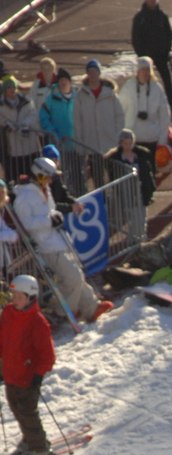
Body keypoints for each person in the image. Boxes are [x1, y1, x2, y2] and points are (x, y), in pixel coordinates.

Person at [12, 156, 113, 323]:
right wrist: (49, 220)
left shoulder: (44, 190)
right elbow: (27, 223)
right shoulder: (24, 197)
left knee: (77, 274)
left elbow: (51, 211)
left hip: (59, 239)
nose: (51, 181)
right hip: (46, 245)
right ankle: (59, 311)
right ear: (40, 175)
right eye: (49, 177)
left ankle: (90, 307)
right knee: (72, 277)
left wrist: (55, 217)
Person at [0, 274, 55, 455]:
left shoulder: (37, 322)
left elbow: (48, 356)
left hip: (27, 377)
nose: (14, 300)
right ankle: (29, 439)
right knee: (15, 407)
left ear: (30, 298)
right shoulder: (8, 313)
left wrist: (37, 376)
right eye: (13, 295)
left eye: (19, 297)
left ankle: (39, 447)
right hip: (10, 373)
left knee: (28, 412)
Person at [73, 60, 125, 187]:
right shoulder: (81, 95)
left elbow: (120, 116)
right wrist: (81, 142)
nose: (92, 74)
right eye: (90, 72)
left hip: (110, 144)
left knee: (115, 177)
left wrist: (117, 135)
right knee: (98, 180)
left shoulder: (110, 94)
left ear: (99, 73)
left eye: (95, 71)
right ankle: (102, 204)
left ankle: (115, 203)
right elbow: (77, 120)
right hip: (92, 146)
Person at [131, 0, 172, 118]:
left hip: (161, 55)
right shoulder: (140, 18)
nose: (152, 2)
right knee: (144, 82)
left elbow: (169, 35)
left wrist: (166, 50)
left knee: (167, 81)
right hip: (146, 57)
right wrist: (141, 55)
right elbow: (135, 38)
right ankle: (143, 107)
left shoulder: (162, 16)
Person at [119, 56, 170, 166]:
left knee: (150, 171)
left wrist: (162, 140)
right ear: (137, 71)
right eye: (142, 69)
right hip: (132, 140)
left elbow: (164, 114)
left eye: (147, 69)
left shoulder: (156, 88)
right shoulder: (129, 87)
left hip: (152, 139)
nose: (145, 72)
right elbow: (119, 111)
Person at [105, 128, 155, 237]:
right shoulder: (116, 159)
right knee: (132, 217)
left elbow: (148, 173)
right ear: (121, 143)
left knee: (142, 216)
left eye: (130, 143)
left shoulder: (142, 155)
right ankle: (134, 240)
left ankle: (141, 237)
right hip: (126, 191)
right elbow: (113, 176)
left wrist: (150, 187)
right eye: (126, 143)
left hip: (140, 190)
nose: (128, 145)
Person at [0, 75, 39, 182]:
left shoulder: (26, 101)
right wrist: (8, 125)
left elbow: (33, 114)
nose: (12, 90)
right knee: (16, 175)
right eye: (9, 88)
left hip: (30, 145)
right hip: (14, 147)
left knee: (34, 173)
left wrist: (25, 125)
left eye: (13, 87)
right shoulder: (2, 105)